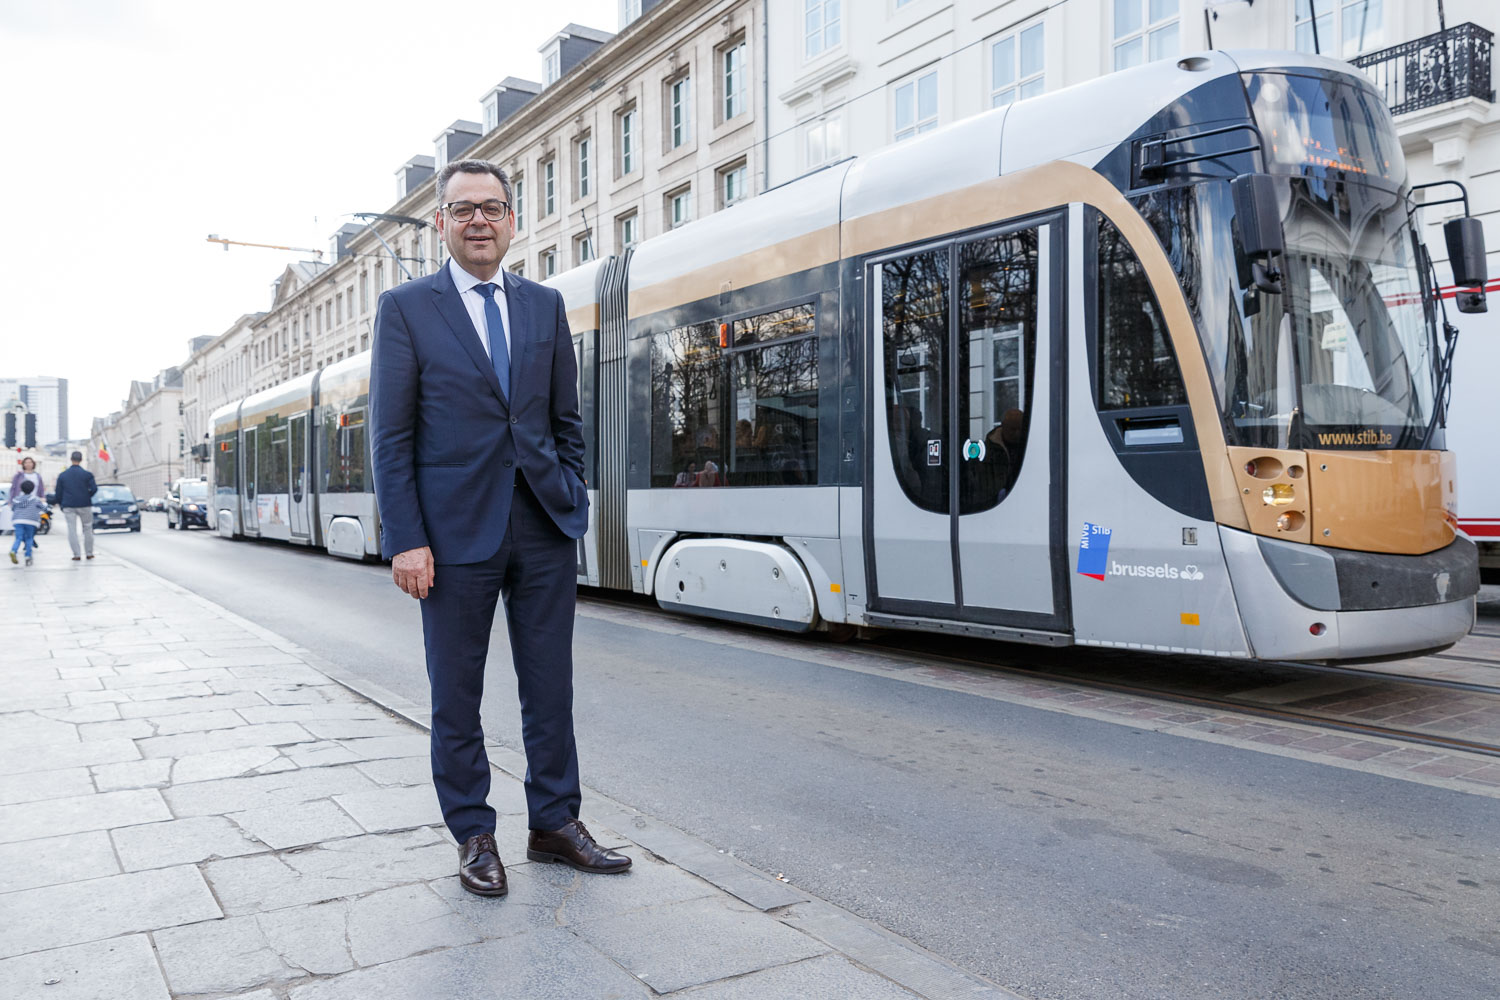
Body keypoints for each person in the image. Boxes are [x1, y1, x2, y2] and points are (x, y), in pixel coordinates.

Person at [370, 158, 629, 900]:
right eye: (462, 210)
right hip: (451, 537)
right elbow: (393, 437)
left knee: (551, 687)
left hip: (542, 525)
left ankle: (554, 825)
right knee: (457, 692)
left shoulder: (545, 306)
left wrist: (570, 497)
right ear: (443, 225)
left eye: (492, 207)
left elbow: (563, 421)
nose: (478, 220)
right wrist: (406, 538)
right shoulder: (407, 308)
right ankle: (474, 834)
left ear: (514, 219)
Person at [54, 451, 97, 561]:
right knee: (88, 528)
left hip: (69, 505)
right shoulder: (87, 475)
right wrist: (87, 496)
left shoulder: (63, 475)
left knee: (72, 530)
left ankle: (76, 554)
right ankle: (89, 553)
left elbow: (58, 492)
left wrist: (61, 503)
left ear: (71, 459)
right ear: (81, 459)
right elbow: (94, 489)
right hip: (84, 504)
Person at [9, 480, 43, 566]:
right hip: (31, 521)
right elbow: (42, 507)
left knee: (18, 538)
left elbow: (13, 508)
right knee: (29, 538)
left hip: (18, 520)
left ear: (21, 489)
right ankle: (28, 555)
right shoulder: (35, 499)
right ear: (32, 489)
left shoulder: (16, 499)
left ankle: (13, 550)